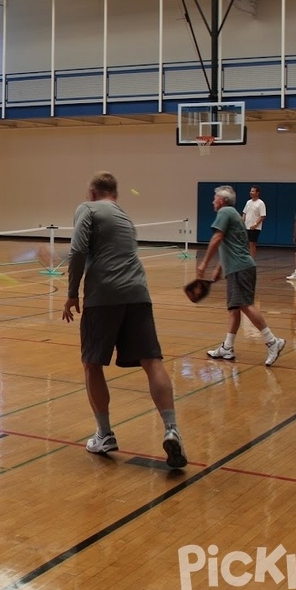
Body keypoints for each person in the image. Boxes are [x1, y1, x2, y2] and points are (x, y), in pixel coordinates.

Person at [61, 171, 187, 470]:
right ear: (114, 194)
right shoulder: (124, 216)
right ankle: (171, 428)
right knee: (152, 361)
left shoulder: (87, 208)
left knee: (92, 363)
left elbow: (78, 250)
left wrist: (71, 293)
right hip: (138, 292)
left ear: (92, 192)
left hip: (104, 295)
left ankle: (104, 434)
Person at [197, 185, 286, 366]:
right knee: (234, 309)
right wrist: (220, 267)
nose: (213, 201)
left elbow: (217, 238)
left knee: (245, 305)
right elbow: (235, 244)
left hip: (240, 268)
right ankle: (227, 347)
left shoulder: (225, 212)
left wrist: (204, 263)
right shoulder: (235, 215)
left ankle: (272, 341)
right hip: (238, 267)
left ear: (222, 200)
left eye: (215, 198)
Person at [242, 185, 266, 258]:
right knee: (245, 243)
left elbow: (262, 216)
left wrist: (255, 224)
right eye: (250, 191)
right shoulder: (248, 202)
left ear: (257, 193)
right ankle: (246, 258)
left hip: (255, 228)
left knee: (252, 243)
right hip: (247, 226)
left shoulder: (260, 203)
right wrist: (241, 222)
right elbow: (244, 213)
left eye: (253, 191)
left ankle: (252, 260)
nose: (251, 192)